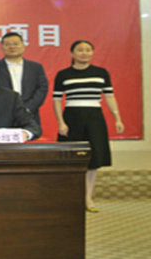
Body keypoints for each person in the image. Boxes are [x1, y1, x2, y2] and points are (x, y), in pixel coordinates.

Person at [53, 40, 124, 213]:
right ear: (72, 53)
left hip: (95, 118)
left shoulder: (101, 73)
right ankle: (71, 197)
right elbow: (57, 100)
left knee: (93, 160)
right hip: (71, 117)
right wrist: (61, 122)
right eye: (80, 50)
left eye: (88, 50)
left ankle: (88, 197)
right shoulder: (63, 74)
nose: (84, 53)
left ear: (92, 53)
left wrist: (117, 118)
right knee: (71, 158)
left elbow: (109, 96)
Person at [0, 32, 49, 128]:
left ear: (23, 45)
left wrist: (27, 108)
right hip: (2, 115)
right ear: (2, 47)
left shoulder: (36, 67)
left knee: (30, 136)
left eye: (16, 44)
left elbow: (42, 89)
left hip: (30, 114)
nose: (12, 47)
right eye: (7, 44)